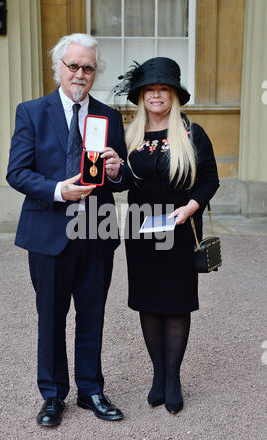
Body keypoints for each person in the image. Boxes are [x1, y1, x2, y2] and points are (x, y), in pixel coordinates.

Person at [6, 33, 133, 426]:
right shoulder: (31, 112)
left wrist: (116, 171)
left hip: (96, 231)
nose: (80, 73)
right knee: (51, 316)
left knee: (92, 314)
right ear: (58, 67)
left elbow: (122, 177)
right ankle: (52, 395)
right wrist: (59, 190)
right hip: (48, 232)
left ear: (96, 73)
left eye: (88, 67)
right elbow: (17, 172)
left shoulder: (109, 116)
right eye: (73, 65)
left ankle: (91, 389)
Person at [115, 57, 220, 414]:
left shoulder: (192, 134)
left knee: (176, 303)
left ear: (173, 95)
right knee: (148, 302)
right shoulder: (129, 136)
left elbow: (210, 180)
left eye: (163, 89)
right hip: (142, 233)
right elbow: (124, 183)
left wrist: (190, 207)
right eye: (150, 90)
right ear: (142, 96)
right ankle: (158, 375)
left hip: (179, 232)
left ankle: (173, 378)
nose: (156, 95)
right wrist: (114, 171)